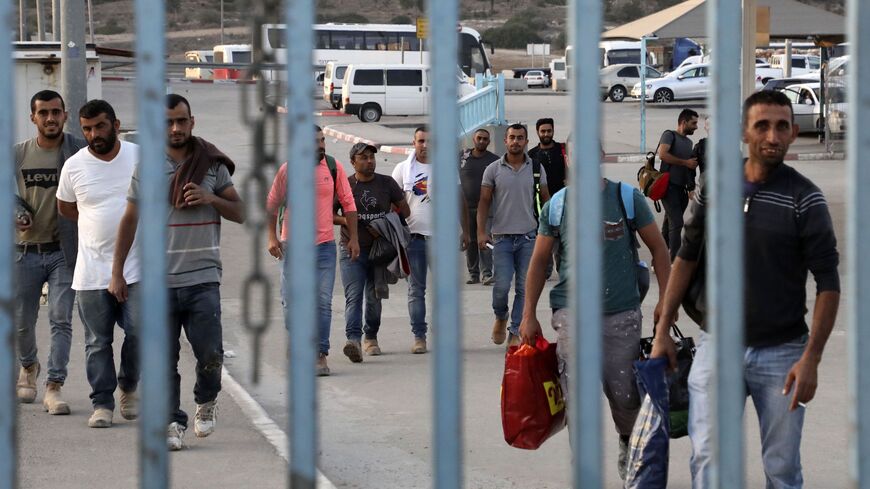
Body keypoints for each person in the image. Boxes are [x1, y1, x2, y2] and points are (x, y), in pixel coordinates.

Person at [651, 90, 840, 488]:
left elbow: (828, 283)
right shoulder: (714, 189)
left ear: (792, 133)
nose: (772, 136)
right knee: (708, 460)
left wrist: (812, 359)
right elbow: (686, 256)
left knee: (782, 469)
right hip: (718, 346)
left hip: (784, 354)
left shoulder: (806, 200)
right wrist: (662, 330)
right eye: (762, 126)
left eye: (782, 126)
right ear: (744, 131)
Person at [520, 144, 672, 480]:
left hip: (621, 315)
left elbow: (659, 249)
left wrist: (666, 301)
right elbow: (539, 262)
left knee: (626, 395)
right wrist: (528, 313)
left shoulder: (627, 197)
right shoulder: (558, 204)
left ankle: (627, 443)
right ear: (569, 158)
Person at [110, 94, 245, 450]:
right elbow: (129, 220)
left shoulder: (213, 166)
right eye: (169, 122)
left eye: (181, 121)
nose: (175, 128)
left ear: (192, 122)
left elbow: (241, 212)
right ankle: (172, 420)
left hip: (202, 279)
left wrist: (210, 198)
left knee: (210, 353)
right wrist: (117, 272)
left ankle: (206, 401)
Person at [56, 100, 141, 429]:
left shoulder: (139, 156)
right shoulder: (74, 166)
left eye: (100, 126)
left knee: (139, 332)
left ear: (116, 125)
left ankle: (129, 386)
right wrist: (96, 224)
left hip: (137, 269)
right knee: (97, 341)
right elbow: (66, 208)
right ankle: (102, 403)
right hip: (90, 271)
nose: (94, 134)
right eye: (87, 129)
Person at [13, 90, 87, 414]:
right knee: (21, 321)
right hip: (24, 250)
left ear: (65, 116)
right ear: (33, 118)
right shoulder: (17, 155)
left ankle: (54, 386)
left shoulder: (78, 152)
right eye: (43, 113)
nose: (50, 118)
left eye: (56, 112)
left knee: (60, 318)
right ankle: (29, 365)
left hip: (64, 251)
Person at [267, 125, 359, 376]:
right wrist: (271, 238)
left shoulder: (333, 167)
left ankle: (320, 355)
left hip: (324, 247)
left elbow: (349, 203)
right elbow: (272, 205)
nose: (320, 145)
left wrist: (354, 239)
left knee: (322, 303)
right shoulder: (288, 170)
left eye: (322, 140)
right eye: (314, 141)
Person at [391, 126, 469, 354]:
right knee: (416, 290)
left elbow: (459, 199)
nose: (425, 146)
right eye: (421, 141)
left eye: (430, 141)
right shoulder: (402, 169)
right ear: (414, 142)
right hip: (413, 240)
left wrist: (465, 230)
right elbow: (392, 201)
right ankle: (419, 336)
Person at [478, 123, 550, 347]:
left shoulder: (536, 168)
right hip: (501, 238)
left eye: (520, 138)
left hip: (529, 237)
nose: (516, 141)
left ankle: (514, 330)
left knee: (523, 287)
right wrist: (481, 232)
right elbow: (484, 202)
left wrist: (551, 231)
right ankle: (501, 316)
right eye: (512, 137)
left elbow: (547, 200)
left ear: (526, 141)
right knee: (501, 287)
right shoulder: (493, 169)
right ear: (505, 141)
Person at [336, 143, 410, 361]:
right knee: (354, 296)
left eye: (372, 157)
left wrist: (387, 220)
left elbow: (404, 210)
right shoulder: (345, 185)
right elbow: (330, 214)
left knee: (374, 296)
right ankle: (353, 341)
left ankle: (371, 336)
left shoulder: (386, 183)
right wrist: (350, 220)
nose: (370, 161)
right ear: (353, 162)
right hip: (351, 249)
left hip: (380, 250)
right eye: (364, 157)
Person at [657, 109, 699, 260]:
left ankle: (659, 258)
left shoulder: (689, 143)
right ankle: (674, 260)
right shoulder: (669, 135)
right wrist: (685, 162)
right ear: (683, 122)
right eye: (693, 123)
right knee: (677, 223)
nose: (696, 126)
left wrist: (690, 187)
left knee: (669, 225)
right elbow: (662, 155)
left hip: (681, 190)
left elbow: (689, 169)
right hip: (668, 187)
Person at [459, 128, 498, 285]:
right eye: (479, 138)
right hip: (466, 208)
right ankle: (473, 273)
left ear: (489, 142)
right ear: (473, 140)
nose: (482, 141)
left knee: (485, 239)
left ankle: (486, 273)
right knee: (470, 241)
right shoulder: (462, 157)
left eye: (485, 139)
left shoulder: (494, 160)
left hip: (486, 208)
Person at [527, 118, 567, 196]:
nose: (546, 134)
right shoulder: (531, 155)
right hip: (541, 199)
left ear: (553, 131)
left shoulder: (564, 149)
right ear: (537, 132)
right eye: (543, 131)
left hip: (563, 198)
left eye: (549, 131)